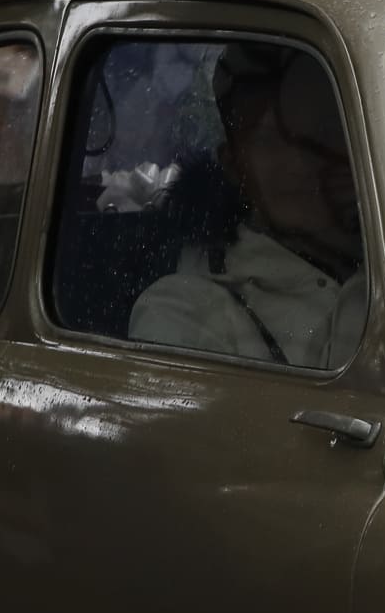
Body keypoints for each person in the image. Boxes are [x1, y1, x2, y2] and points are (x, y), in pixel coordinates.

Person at [130, 44, 368, 370]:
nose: (296, 163)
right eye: (267, 141)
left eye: (315, 136)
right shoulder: (188, 308)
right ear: (234, 165)